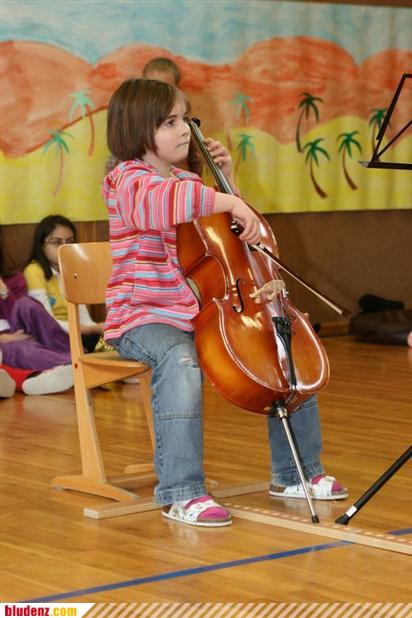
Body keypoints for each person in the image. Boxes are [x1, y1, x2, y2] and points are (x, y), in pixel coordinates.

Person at [102, 78, 347, 528]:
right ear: (137, 128)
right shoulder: (126, 181)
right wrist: (226, 198)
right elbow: (162, 203)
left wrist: (228, 182)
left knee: (283, 343)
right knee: (178, 359)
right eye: (170, 122)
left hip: (198, 311)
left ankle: (296, 473)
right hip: (142, 317)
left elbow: (238, 240)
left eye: (185, 119)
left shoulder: (191, 182)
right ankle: (182, 492)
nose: (184, 129)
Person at [0, 237, 74, 395]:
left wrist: (4, 292)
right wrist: (5, 338)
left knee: (25, 304)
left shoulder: (13, 277)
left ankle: (73, 354)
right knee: (19, 349)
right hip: (6, 343)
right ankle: (76, 365)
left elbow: (20, 313)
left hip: (26, 329)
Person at [105, 57, 202, 176]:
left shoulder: (182, 136)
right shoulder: (131, 175)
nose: (158, 95)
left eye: (165, 88)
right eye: (170, 123)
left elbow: (195, 170)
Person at [23, 215, 103, 352]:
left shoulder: (72, 270)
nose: (64, 247)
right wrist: (90, 329)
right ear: (41, 245)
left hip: (78, 332)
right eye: (57, 242)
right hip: (51, 335)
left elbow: (83, 316)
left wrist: (97, 329)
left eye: (70, 242)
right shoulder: (33, 271)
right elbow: (46, 323)